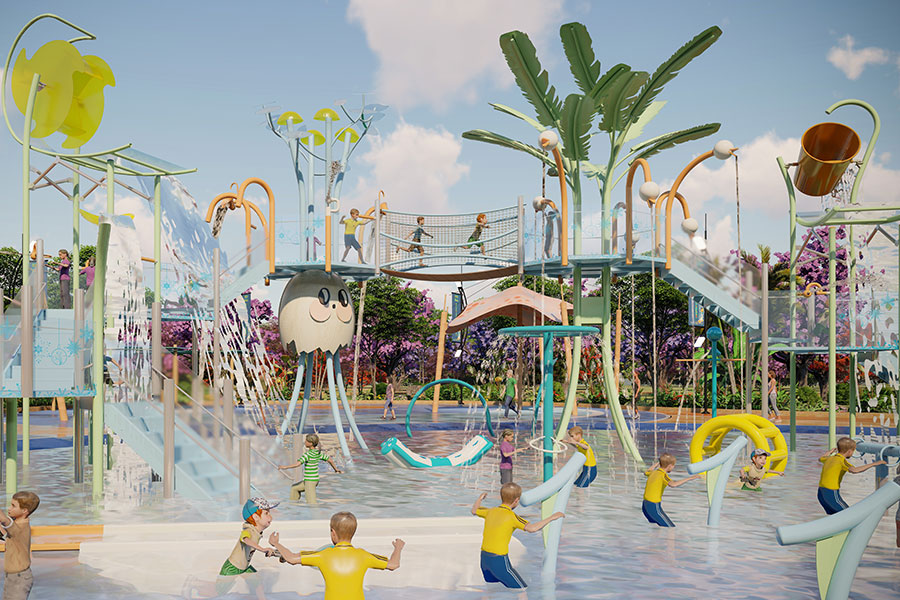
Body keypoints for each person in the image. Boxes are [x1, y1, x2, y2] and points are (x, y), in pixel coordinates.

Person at [268, 511, 404, 600]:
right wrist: (398, 548)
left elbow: (291, 558)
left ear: (333, 532)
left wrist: (276, 544)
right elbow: (393, 565)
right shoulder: (363, 556)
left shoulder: (323, 555)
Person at [471, 483, 564, 589]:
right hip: (499, 560)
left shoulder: (490, 511)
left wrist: (480, 498)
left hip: (484, 559)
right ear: (516, 500)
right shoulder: (512, 517)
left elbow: (474, 510)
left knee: (491, 590)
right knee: (522, 589)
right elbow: (532, 528)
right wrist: (552, 517)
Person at [817, 437, 885, 514]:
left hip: (821, 492)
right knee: (848, 513)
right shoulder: (842, 461)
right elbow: (854, 470)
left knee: (834, 515)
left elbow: (820, 458)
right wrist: (874, 464)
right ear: (849, 451)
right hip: (831, 492)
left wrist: (830, 451)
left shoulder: (829, 458)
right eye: (853, 451)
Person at [278, 433, 341, 504]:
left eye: (306, 441)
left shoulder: (307, 454)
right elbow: (330, 460)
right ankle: (294, 508)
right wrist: (336, 469)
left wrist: (285, 467)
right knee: (294, 488)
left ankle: (315, 513)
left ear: (310, 443)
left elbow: (297, 464)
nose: (305, 442)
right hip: (314, 480)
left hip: (310, 481)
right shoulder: (318, 453)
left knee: (311, 503)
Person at [642, 453, 701, 527]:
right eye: (673, 466)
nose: (673, 467)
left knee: (656, 528)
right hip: (653, 506)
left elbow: (647, 471)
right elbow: (673, 484)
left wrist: (658, 464)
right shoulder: (663, 475)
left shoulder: (653, 472)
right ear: (669, 466)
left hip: (645, 505)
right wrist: (691, 478)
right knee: (671, 528)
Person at [0, 491, 39, 600]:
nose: (9, 508)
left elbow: (5, 521)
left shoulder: (21, 527)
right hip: (12, 577)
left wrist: (2, 518)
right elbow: (7, 536)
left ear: (24, 511)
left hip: (19, 578)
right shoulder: (18, 525)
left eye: (13, 506)